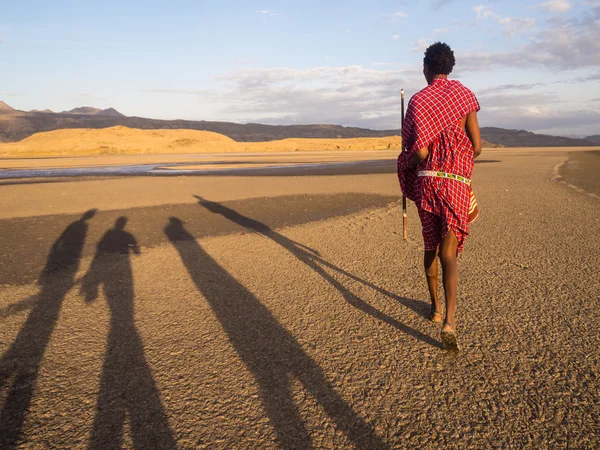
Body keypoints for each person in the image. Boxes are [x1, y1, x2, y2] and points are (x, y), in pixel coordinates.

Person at [398, 42, 481, 350]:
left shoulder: (419, 101)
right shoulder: (465, 96)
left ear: (427, 68)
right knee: (449, 252)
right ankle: (450, 321)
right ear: (450, 67)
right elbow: (478, 145)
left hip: (428, 182)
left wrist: (410, 160)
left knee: (429, 244)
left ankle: (434, 309)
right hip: (456, 181)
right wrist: (458, 159)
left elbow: (418, 150)